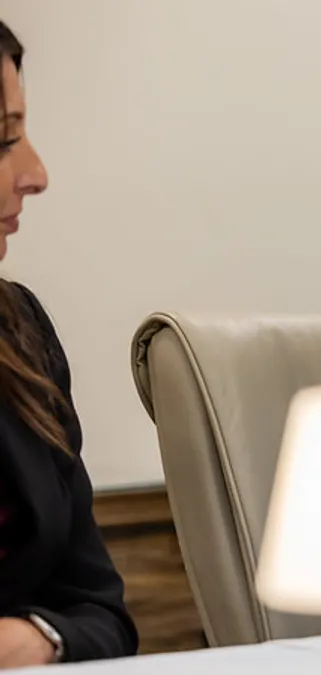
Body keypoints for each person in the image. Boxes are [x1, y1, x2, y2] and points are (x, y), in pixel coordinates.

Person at [0, 21, 138, 664]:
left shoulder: (19, 333)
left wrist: (34, 639)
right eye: (2, 141)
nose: (36, 173)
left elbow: (101, 616)